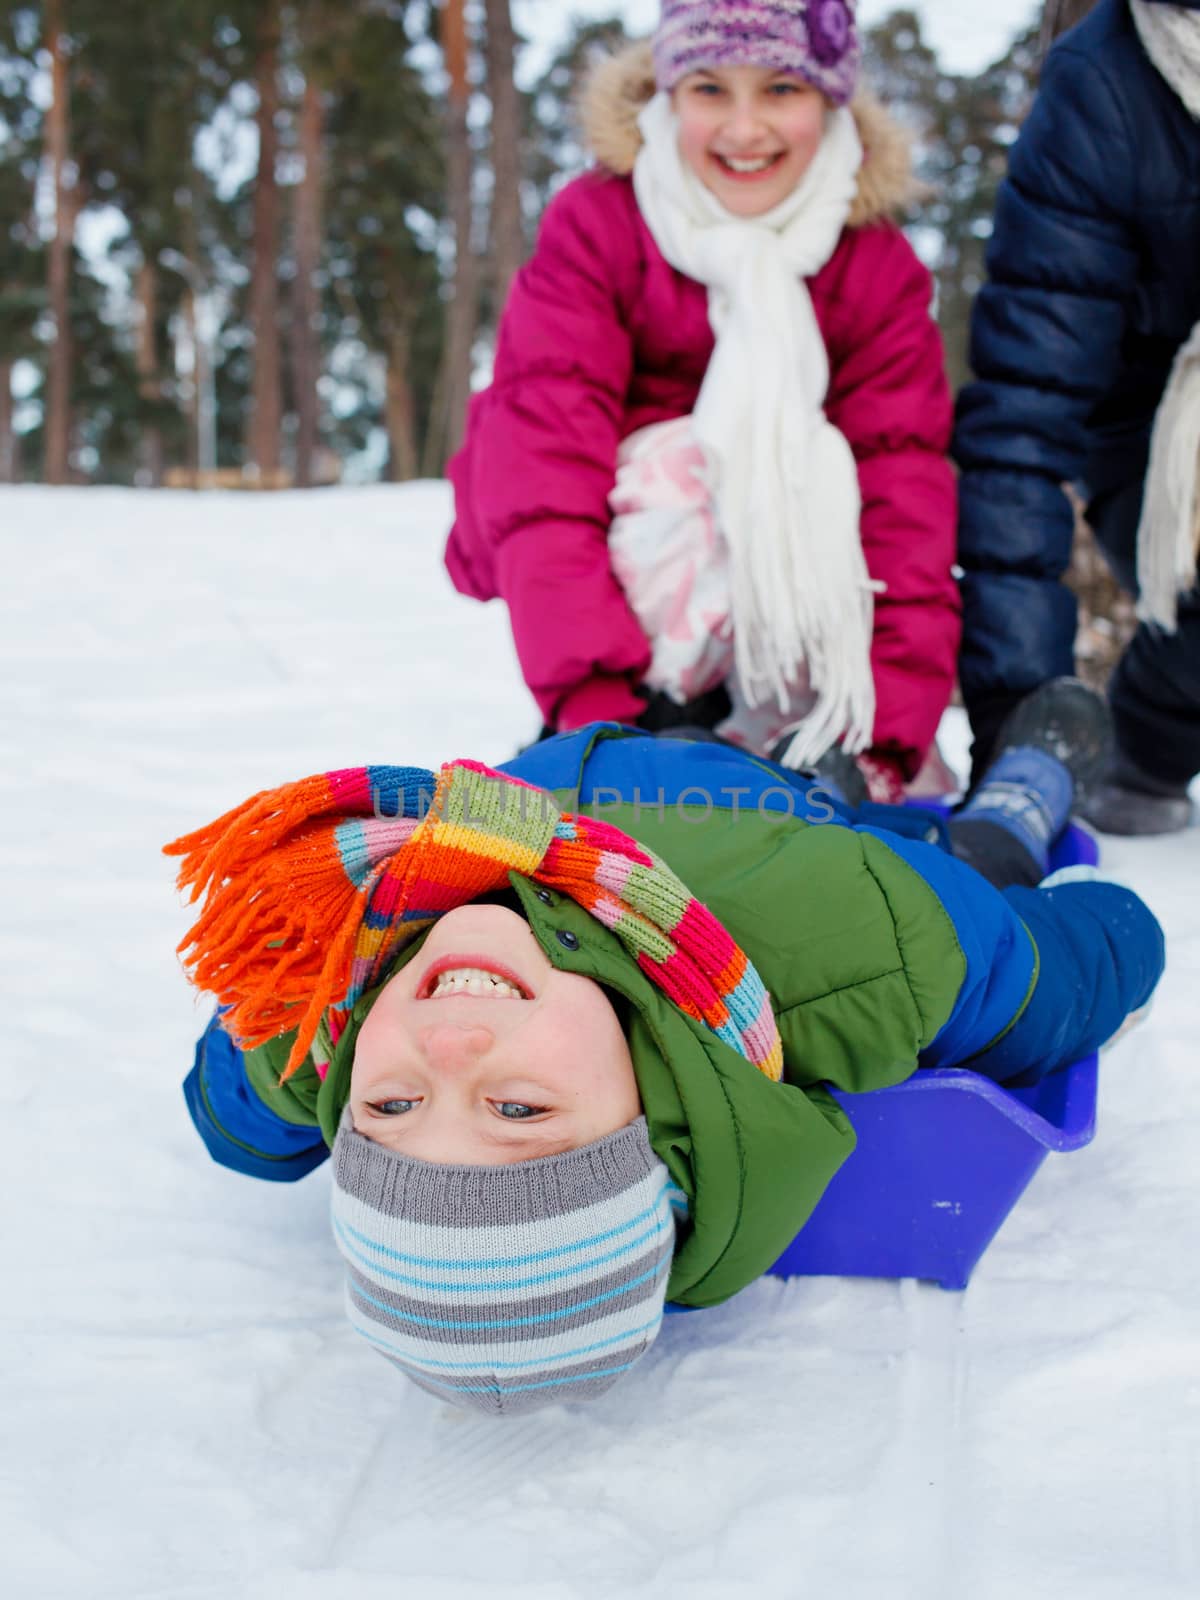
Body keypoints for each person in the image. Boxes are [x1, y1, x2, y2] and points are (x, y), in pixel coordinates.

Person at [167, 689, 1163, 1416]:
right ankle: (1020, 793)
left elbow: (238, 1093)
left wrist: (253, 1120)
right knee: (969, 869)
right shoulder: (855, 947)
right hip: (773, 823)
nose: (449, 1044)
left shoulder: (345, 989)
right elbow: (1061, 974)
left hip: (596, 759)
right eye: (517, 1110)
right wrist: (1084, 938)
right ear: (657, 1120)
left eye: (389, 1109)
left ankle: (802, 752)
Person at [446, 0, 959, 803]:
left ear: (829, 98)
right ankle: (654, 724)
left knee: (817, 474)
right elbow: (540, 465)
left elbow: (906, 497)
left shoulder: (875, 262)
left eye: (781, 88)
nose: (744, 128)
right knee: (679, 470)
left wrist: (885, 738)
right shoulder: (602, 221)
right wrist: (596, 708)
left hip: (782, 607)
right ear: (668, 94)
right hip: (624, 599)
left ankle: (806, 740)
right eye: (711, 89)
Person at [954, 0, 1200, 833]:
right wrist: (1022, 733)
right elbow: (1023, 420)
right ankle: (1150, 737)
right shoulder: (1110, 90)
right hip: (1168, 456)